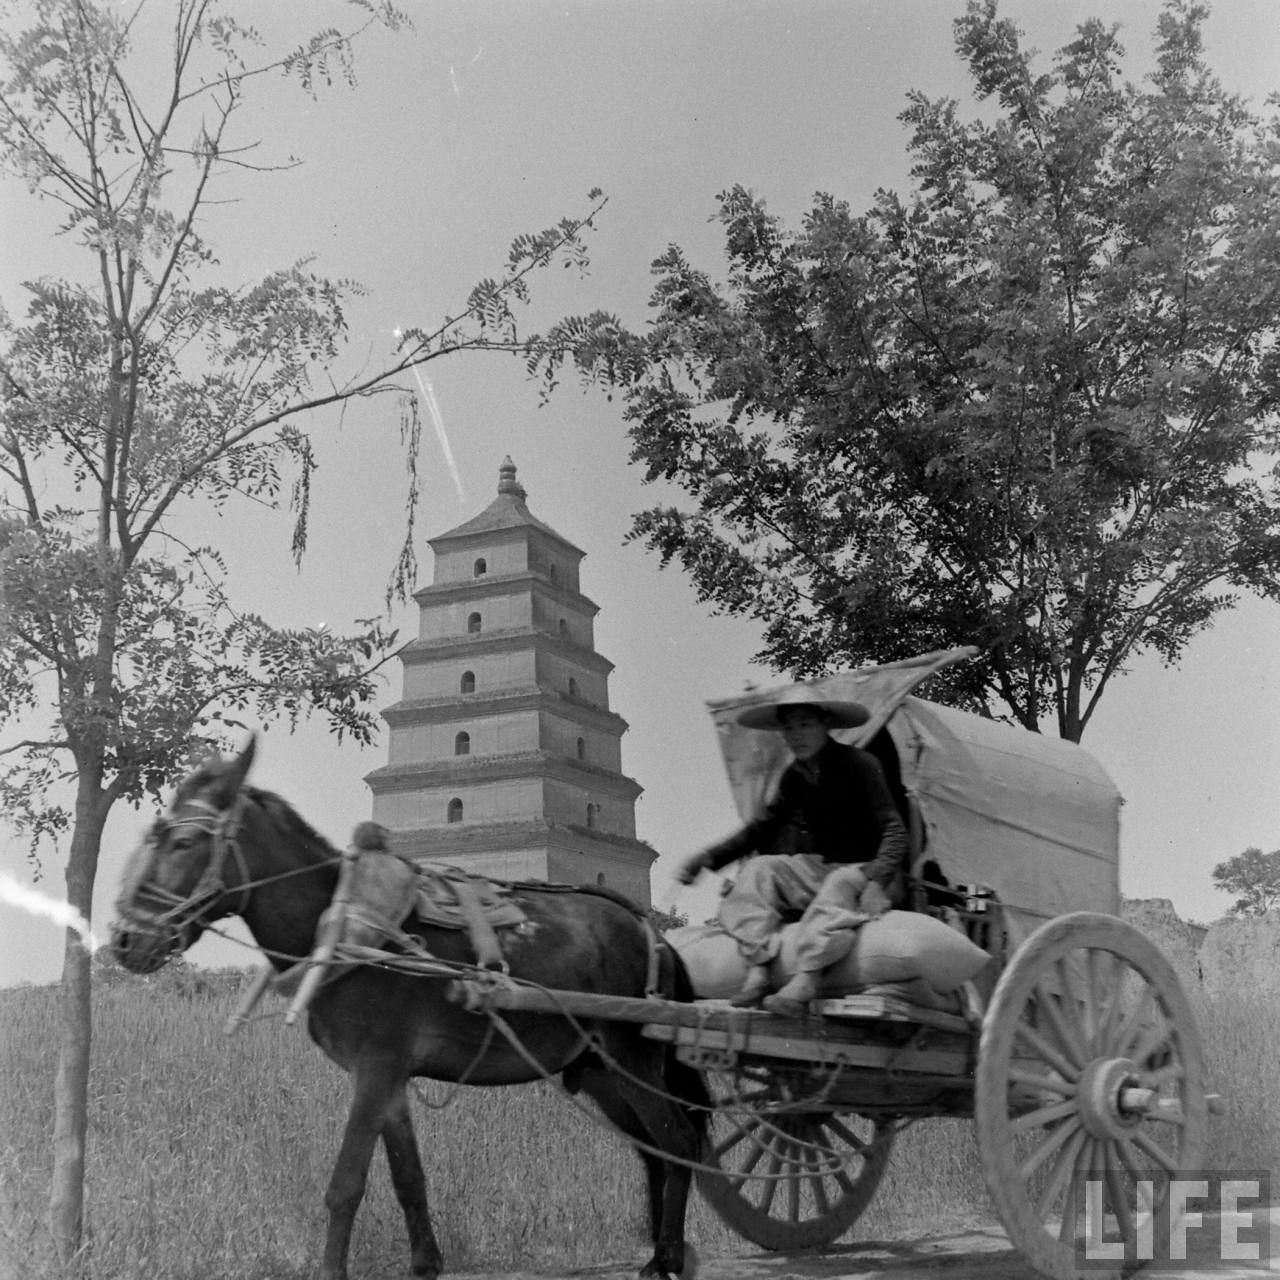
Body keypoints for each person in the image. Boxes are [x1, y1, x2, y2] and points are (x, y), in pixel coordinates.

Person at [675, 685, 910, 1016]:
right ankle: (758, 969)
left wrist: (876, 881)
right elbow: (761, 829)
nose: (796, 735)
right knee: (761, 869)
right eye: (789, 727)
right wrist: (709, 858)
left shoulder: (860, 764)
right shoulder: (795, 777)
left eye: (805, 725)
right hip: (824, 869)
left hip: (873, 873)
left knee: (841, 882)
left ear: (825, 725)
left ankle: (807, 978)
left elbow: (894, 830)